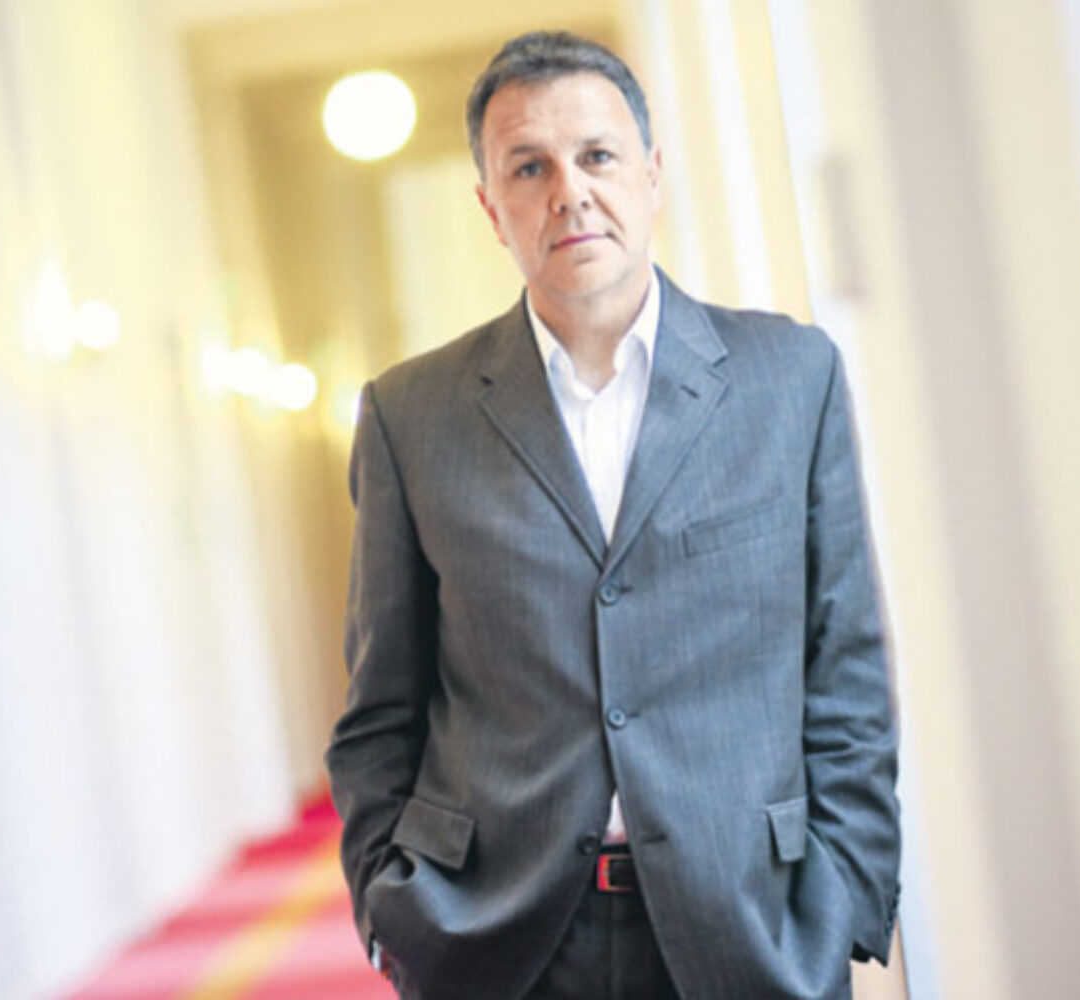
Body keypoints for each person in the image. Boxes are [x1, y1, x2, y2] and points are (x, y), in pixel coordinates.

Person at [326, 30, 899, 1000]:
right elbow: (380, 708)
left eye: (596, 155)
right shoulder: (409, 415)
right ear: (490, 207)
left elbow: (845, 667)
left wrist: (844, 896)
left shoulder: (790, 378)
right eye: (529, 167)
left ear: (651, 173)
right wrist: (393, 913)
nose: (570, 192)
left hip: (754, 928)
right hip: (502, 943)